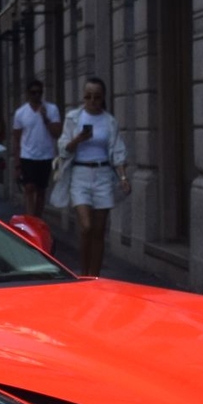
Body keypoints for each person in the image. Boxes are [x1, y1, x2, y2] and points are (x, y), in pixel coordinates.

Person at [60, 76, 130, 276]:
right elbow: (64, 148)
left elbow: (118, 151)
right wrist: (78, 139)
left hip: (103, 175)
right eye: (87, 97)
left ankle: (94, 275)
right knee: (86, 227)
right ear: (83, 97)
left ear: (103, 98)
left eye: (96, 97)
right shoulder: (73, 118)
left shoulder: (109, 121)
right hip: (80, 174)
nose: (92, 101)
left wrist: (123, 178)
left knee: (99, 231)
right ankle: (83, 273)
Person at [8, 78, 62, 220]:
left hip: (46, 155)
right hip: (28, 156)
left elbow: (57, 133)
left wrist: (46, 119)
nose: (36, 96)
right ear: (28, 94)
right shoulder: (21, 113)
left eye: (39, 93)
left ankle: (38, 218)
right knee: (29, 187)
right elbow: (16, 138)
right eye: (33, 93)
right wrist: (17, 164)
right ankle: (30, 217)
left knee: (41, 190)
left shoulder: (51, 109)